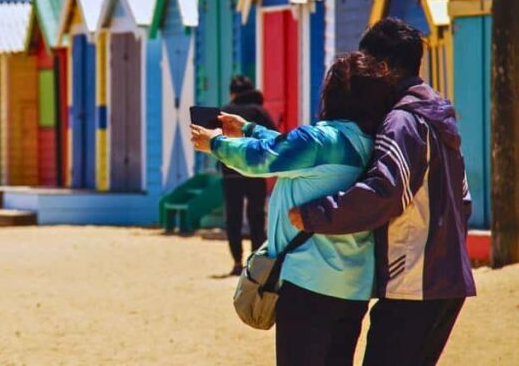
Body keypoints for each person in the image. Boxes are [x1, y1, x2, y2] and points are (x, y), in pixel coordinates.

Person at [289, 18, 476, 366]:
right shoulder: (437, 116)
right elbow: (463, 200)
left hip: (414, 283)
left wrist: (316, 215)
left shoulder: (402, 120)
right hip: (445, 279)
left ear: (384, 67)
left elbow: (384, 192)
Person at [191, 53, 398, 366]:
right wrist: (249, 130)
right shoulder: (368, 145)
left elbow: (263, 159)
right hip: (353, 287)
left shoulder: (320, 138)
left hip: (308, 283)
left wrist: (215, 144)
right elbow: (290, 150)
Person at [219, 75, 275, 276]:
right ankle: (255, 261)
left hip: (230, 173)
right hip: (255, 173)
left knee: (233, 218)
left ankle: (236, 262)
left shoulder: (226, 111)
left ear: (233, 93)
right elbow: (273, 137)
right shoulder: (259, 111)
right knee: (256, 218)